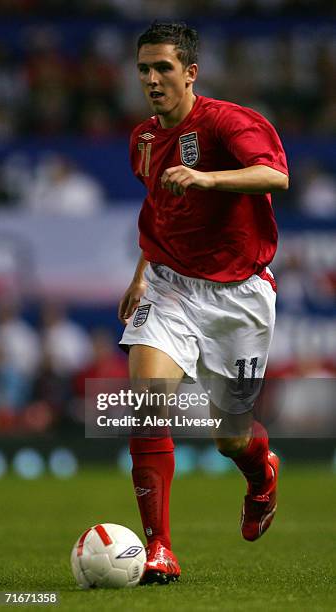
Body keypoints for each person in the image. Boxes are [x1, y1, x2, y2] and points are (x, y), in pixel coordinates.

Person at [118, 22, 289, 585]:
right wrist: (143, 274)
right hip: (170, 286)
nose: (152, 79)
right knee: (144, 403)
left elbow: (275, 176)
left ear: (190, 72)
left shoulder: (227, 122)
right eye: (144, 68)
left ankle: (261, 474)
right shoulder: (143, 139)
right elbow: (159, 214)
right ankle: (159, 548)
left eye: (163, 67)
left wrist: (207, 178)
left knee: (230, 437)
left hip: (238, 296)